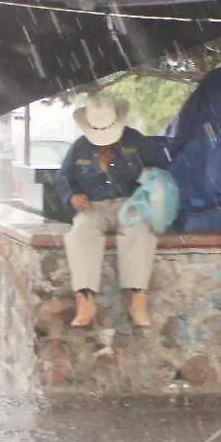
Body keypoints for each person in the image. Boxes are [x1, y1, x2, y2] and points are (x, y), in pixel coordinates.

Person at [56, 94, 165, 330]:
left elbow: (159, 170)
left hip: (130, 203)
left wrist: (148, 190)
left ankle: (137, 300)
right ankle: (85, 301)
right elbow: (64, 179)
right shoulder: (79, 147)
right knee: (80, 234)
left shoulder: (136, 141)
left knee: (139, 233)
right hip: (94, 206)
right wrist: (72, 197)